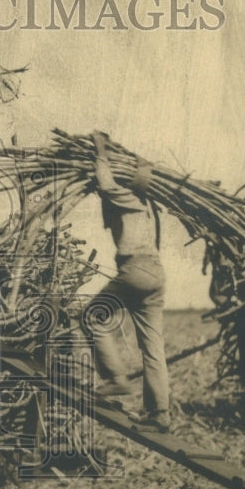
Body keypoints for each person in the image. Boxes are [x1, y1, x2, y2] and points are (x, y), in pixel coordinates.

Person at [88, 132, 170, 432]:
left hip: (136, 269)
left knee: (92, 314)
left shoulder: (129, 195)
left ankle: (115, 379)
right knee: (153, 347)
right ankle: (160, 413)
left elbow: (105, 182)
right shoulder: (148, 204)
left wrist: (100, 152)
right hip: (156, 274)